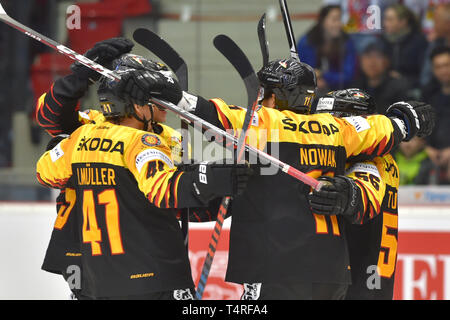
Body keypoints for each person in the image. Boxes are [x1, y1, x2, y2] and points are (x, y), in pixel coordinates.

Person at [140, 56, 434, 299]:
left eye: (264, 92)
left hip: (276, 270)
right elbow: (387, 128)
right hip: (332, 274)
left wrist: (160, 90)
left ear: (276, 94)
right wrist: (407, 118)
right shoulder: (339, 131)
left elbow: (205, 112)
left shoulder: (267, 124)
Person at [35, 49, 254, 299]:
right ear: (136, 103)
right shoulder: (146, 141)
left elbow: (45, 173)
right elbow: (164, 190)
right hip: (148, 272)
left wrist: (211, 189)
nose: (167, 107)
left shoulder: (83, 134)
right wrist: (208, 178)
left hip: (92, 274)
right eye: (157, 99)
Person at [309, 88, 401, 299]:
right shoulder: (377, 153)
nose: (328, 128)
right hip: (369, 279)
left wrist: (347, 195)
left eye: (335, 121)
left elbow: (366, 194)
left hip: (359, 282)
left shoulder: (371, 160)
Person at [297, 4, 358, 93]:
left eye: (340, 19)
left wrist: (324, 76)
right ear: (322, 21)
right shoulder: (307, 42)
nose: (339, 24)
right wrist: (315, 80)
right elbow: (302, 72)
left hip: (340, 92)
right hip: (310, 91)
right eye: (334, 19)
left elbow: (348, 76)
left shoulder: (346, 42)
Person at [352, 42, 412, 113]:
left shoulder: (398, 87)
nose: (372, 62)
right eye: (368, 56)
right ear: (361, 61)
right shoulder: (355, 87)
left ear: (387, 61)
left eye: (378, 56)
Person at [380, 3, 428, 89]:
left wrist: (402, 79)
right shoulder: (383, 40)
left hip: (412, 88)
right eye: (385, 19)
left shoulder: (419, 41)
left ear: (403, 22)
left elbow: (424, 75)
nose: (385, 23)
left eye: (390, 20)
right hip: (387, 86)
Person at [423, 46, 450, 184]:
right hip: (432, 153)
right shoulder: (429, 95)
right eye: (438, 67)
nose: (443, 70)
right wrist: (426, 148)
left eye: (446, 65)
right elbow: (420, 126)